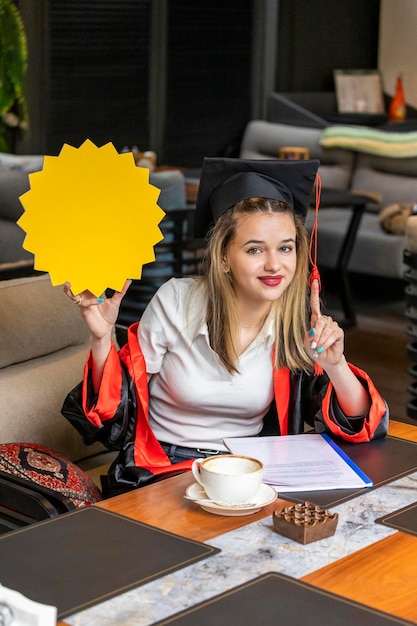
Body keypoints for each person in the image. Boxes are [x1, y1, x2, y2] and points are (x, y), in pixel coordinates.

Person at [62, 157, 388, 497]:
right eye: (254, 249)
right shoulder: (176, 302)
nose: (274, 264)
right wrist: (102, 340)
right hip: (164, 470)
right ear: (223, 258)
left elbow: (359, 423)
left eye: (285, 248)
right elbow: (113, 410)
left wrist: (335, 365)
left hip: (251, 472)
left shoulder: (296, 321)